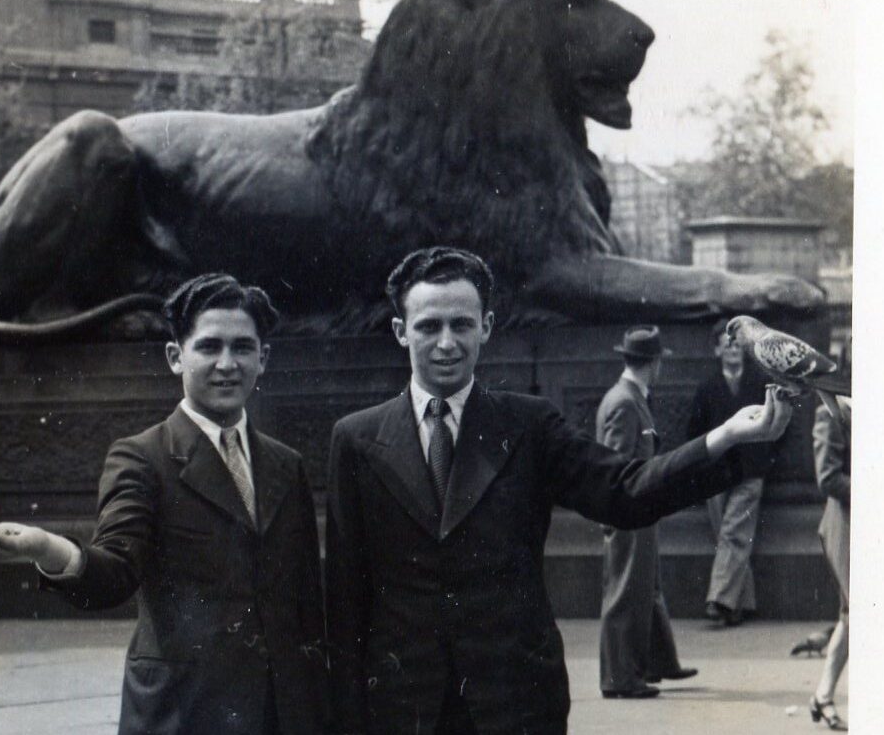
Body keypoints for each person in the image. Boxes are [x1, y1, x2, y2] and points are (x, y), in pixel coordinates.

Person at [325, 246, 792, 735]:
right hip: (403, 711)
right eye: (428, 327)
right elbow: (345, 602)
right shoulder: (356, 439)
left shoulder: (529, 425)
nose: (446, 343)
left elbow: (625, 491)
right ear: (401, 332)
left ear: (486, 326)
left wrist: (728, 436)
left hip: (516, 705)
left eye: (461, 325)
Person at [0, 274, 326, 735]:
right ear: (175, 357)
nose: (227, 364)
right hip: (184, 712)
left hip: (281, 713)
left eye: (243, 348)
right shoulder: (142, 457)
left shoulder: (287, 464)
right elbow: (115, 572)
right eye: (209, 347)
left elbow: (306, 603)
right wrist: (47, 548)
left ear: (263, 359)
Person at [597, 326, 697, 699]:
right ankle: (619, 678)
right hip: (629, 509)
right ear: (653, 363)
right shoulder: (625, 402)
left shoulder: (630, 397)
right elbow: (616, 465)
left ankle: (659, 661)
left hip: (640, 508)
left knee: (646, 586)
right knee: (626, 590)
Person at [686, 320, 776, 627]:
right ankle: (742, 605)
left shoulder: (759, 384)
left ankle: (720, 600)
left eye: (737, 345)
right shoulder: (707, 388)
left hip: (750, 471)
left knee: (732, 533)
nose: (733, 350)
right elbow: (694, 432)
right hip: (716, 474)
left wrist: (765, 458)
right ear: (717, 350)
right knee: (733, 537)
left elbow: (778, 425)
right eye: (727, 345)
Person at [809, 398, 851, 731]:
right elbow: (828, 478)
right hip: (846, 525)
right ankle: (823, 696)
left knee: (851, 616)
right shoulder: (833, 412)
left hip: (871, 524)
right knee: (857, 613)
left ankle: (822, 696)